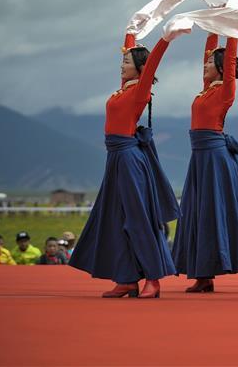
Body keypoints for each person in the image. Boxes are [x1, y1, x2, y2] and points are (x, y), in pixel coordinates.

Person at [69, 27, 184, 299]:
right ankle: (127, 279)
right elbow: (130, 52)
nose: (121, 66)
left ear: (140, 68)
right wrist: (131, 31)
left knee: (137, 220)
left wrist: (165, 38)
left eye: (126, 62)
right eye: (122, 61)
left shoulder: (139, 92)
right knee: (115, 219)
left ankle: (153, 279)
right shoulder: (124, 89)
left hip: (130, 161)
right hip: (115, 159)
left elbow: (153, 61)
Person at [172, 32, 238, 294]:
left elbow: (229, 58)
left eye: (210, 63)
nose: (205, 65)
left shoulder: (225, 91)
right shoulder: (205, 90)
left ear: (223, 68)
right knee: (198, 214)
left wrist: (232, 31)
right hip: (199, 160)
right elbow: (209, 52)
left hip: (217, 161)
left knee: (229, 215)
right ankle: (203, 275)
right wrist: (213, 25)